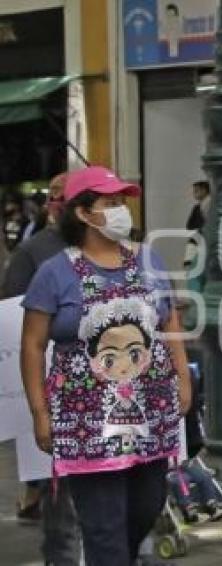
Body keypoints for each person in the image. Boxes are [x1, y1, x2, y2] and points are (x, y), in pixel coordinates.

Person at [20, 165, 192, 566]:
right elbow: (32, 344)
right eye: (109, 203)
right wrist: (39, 412)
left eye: (121, 202)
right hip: (85, 423)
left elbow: (170, 322)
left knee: (146, 507)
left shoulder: (148, 260)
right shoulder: (55, 272)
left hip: (150, 413)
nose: (120, 210)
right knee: (104, 527)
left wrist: (182, 377)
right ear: (83, 213)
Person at [3, 173, 82, 566]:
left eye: (63, 196)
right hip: (56, 387)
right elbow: (13, 318)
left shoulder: (114, 248)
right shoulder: (34, 252)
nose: (56, 202)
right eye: (53, 196)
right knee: (61, 487)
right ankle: (61, 556)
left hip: (106, 391)